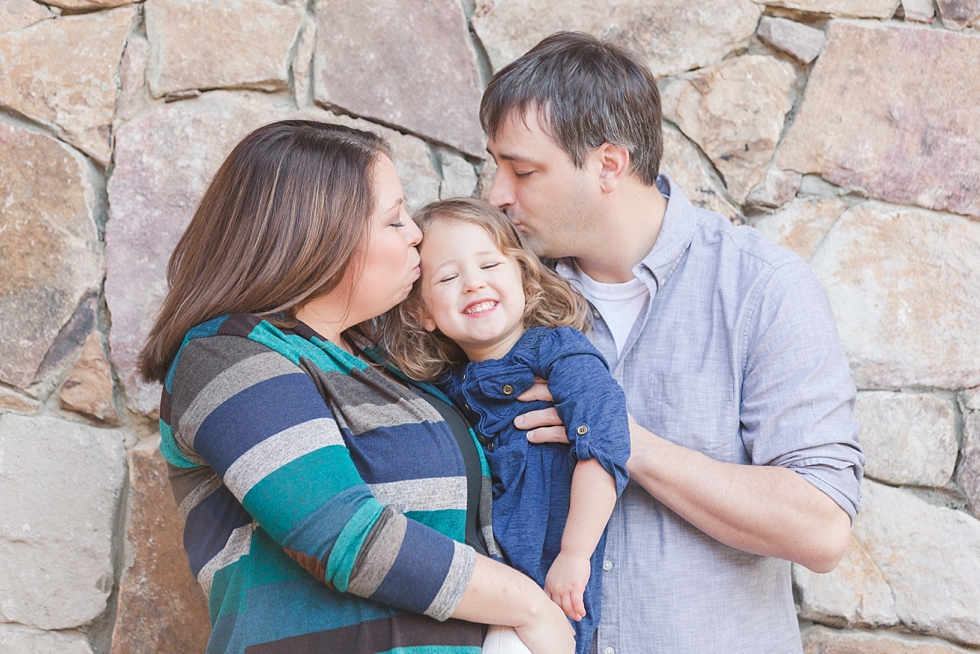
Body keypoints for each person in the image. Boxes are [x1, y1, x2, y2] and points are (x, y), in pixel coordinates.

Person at [478, 32, 866, 653]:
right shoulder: (495, 295)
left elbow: (820, 528)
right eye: (495, 165)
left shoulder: (762, 289)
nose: (497, 194)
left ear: (609, 164)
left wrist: (621, 439)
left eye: (522, 170)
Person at [137, 120, 575, 654]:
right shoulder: (229, 353)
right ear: (320, 239)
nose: (416, 232)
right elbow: (342, 535)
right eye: (394, 221)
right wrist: (531, 607)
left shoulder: (382, 362)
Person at [380, 198, 631, 654]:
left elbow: (605, 446)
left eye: (489, 264)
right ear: (423, 314)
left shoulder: (559, 353)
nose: (473, 283)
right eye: (449, 277)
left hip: (550, 578)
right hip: (482, 590)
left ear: (525, 280)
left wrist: (574, 554)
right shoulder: (442, 388)